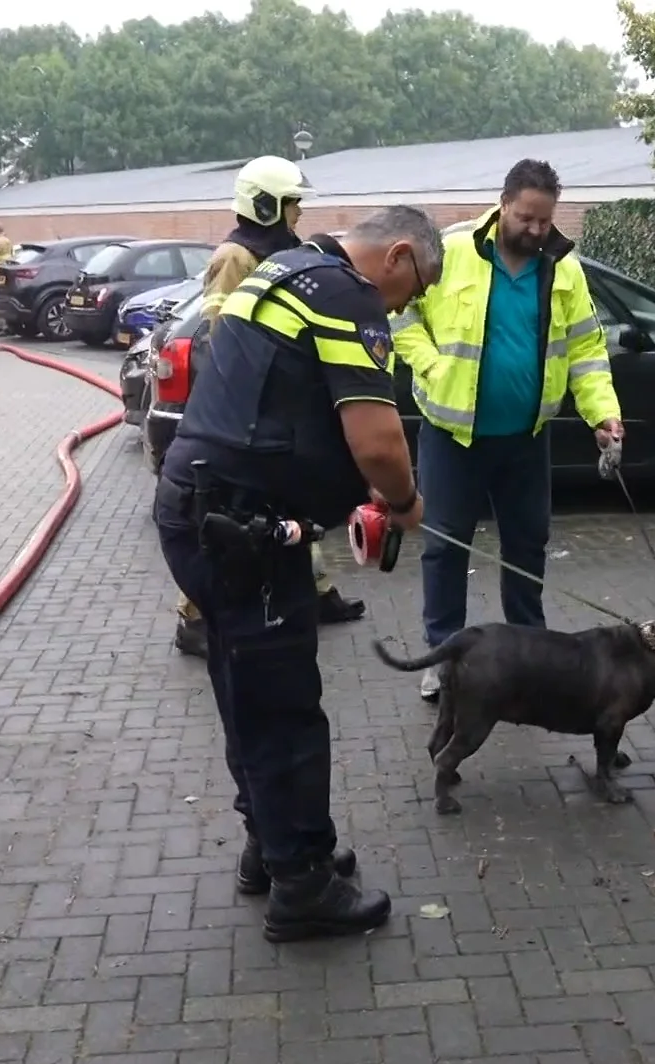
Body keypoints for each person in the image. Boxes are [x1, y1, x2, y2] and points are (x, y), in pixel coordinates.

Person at [151, 204, 441, 942]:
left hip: (202, 511)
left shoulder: (284, 269)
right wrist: (403, 500)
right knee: (285, 709)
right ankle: (302, 883)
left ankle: (270, 845)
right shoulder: (346, 293)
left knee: (243, 687)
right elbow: (377, 440)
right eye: (416, 289)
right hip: (244, 525)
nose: (405, 307)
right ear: (399, 257)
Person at [392, 159, 621, 703]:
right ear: (503, 205)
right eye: (527, 218)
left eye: (545, 220)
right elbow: (400, 314)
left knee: (527, 544)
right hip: (452, 435)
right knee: (446, 546)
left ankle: (532, 655)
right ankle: (443, 657)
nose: (537, 230)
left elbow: (587, 350)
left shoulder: (563, 267)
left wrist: (602, 415)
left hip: (525, 438)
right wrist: (430, 364)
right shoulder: (449, 250)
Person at [171, 155, 368, 660]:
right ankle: (193, 618)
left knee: (292, 510)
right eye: (291, 203)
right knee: (227, 524)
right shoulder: (235, 257)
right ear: (265, 205)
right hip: (242, 415)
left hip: (275, 410)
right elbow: (225, 334)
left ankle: (318, 593)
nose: (299, 213)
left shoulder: (278, 251)